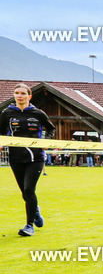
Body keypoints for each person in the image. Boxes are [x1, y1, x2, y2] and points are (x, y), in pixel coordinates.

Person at [1, 83, 55, 236]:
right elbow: (1, 132)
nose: (19, 96)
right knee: (25, 194)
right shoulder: (7, 113)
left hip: (35, 158)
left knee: (29, 189)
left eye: (23, 93)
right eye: (17, 93)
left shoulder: (38, 113)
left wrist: (46, 141)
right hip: (15, 158)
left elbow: (50, 128)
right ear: (14, 95)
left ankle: (29, 226)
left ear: (29, 96)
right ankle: (35, 211)